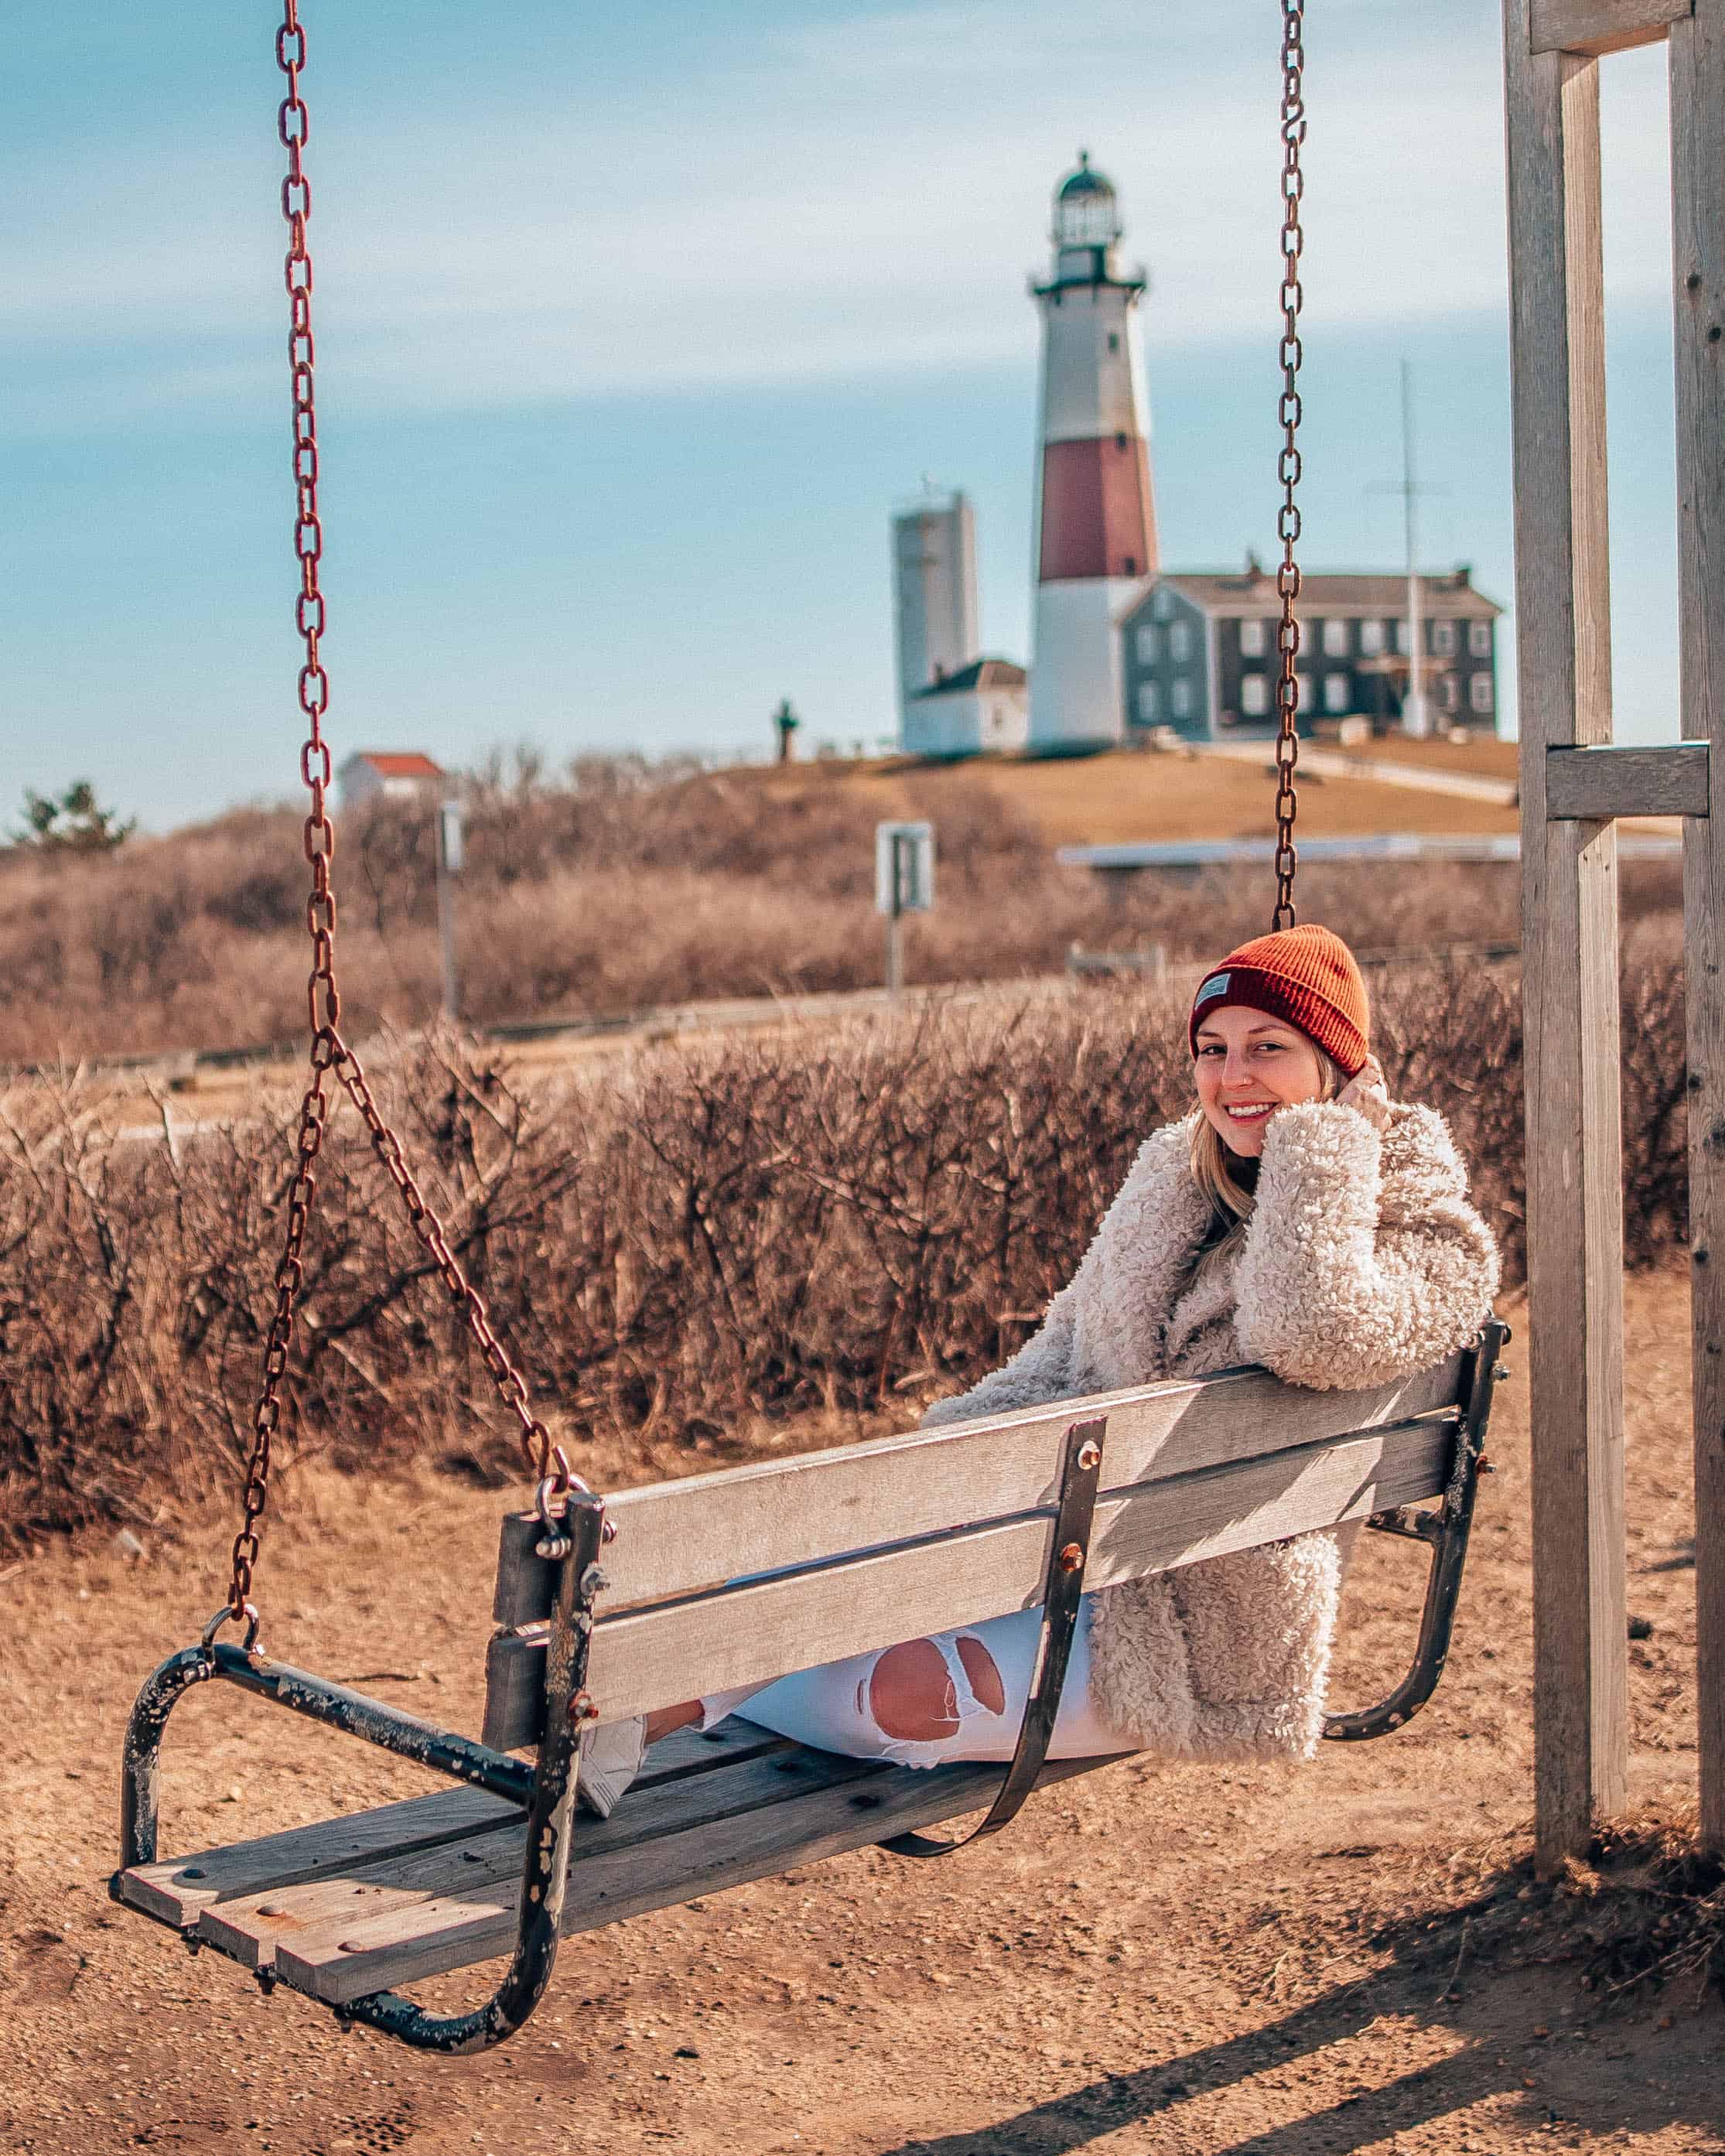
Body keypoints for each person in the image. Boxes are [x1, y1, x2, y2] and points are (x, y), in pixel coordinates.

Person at [575, 923, 1500, 1816]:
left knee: (898, 1691)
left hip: (1190, 1637)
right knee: (809, 1569)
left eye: (1269, 1047)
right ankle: (629, 1713)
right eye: (1211, 1050)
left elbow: (1310, 1331)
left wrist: (1328, 1151)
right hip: (1056, 1566)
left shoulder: (1428, 1239)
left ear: (1342, 1071)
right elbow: (1054, 1364)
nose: (1233, 1077)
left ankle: (640, 1701)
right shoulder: (1171, 1195)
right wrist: (925, 1496)